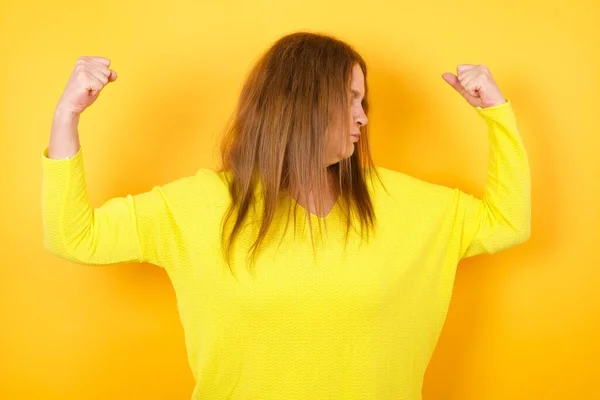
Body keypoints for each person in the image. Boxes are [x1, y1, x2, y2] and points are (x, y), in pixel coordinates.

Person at [42, 32, 531, 399]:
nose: (364, 117)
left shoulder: (409, 205)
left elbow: (509, 222)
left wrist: (496, 113)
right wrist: (67, 115)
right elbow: (75, 237)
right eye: (351, 99)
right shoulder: (196, 206)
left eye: (366, 102)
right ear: (298, 105)